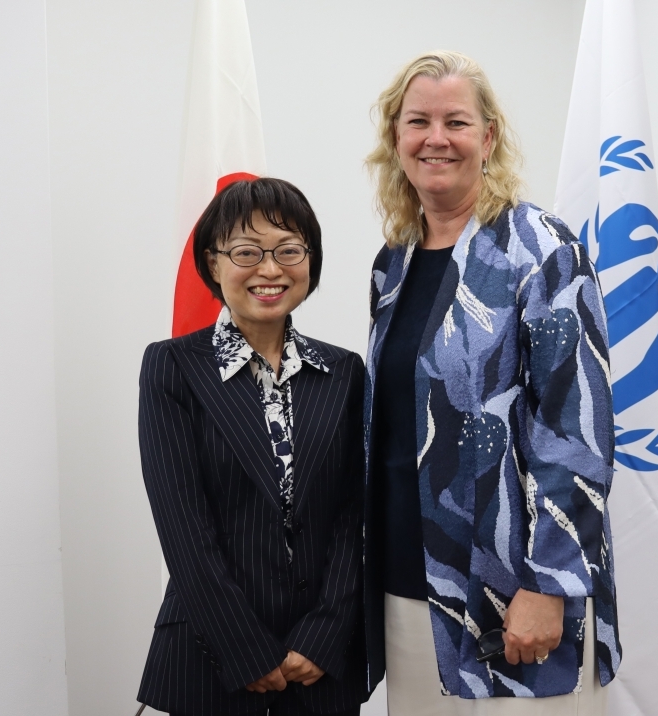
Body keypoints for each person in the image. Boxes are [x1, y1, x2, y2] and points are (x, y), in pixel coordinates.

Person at [361, 51, 621, 715]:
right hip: (409, 588)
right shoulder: (393, 265)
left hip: (516, 600)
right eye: (417, 121)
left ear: (489, 137)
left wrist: (550, 583)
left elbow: (577, 428)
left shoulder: (542, 251)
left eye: (456, 121)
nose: (436, 138)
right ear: (396, 138)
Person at [136, 178, 367, 716]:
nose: (270, 269)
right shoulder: (173, 367)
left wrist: (325, 634)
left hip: (320, 666)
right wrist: (244, 649)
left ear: (310, 261)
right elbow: (182, 525)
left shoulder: (344, 372)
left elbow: (352, 515)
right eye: (246, 251)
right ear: (213, 265)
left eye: (289, 250)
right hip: (209, 658)